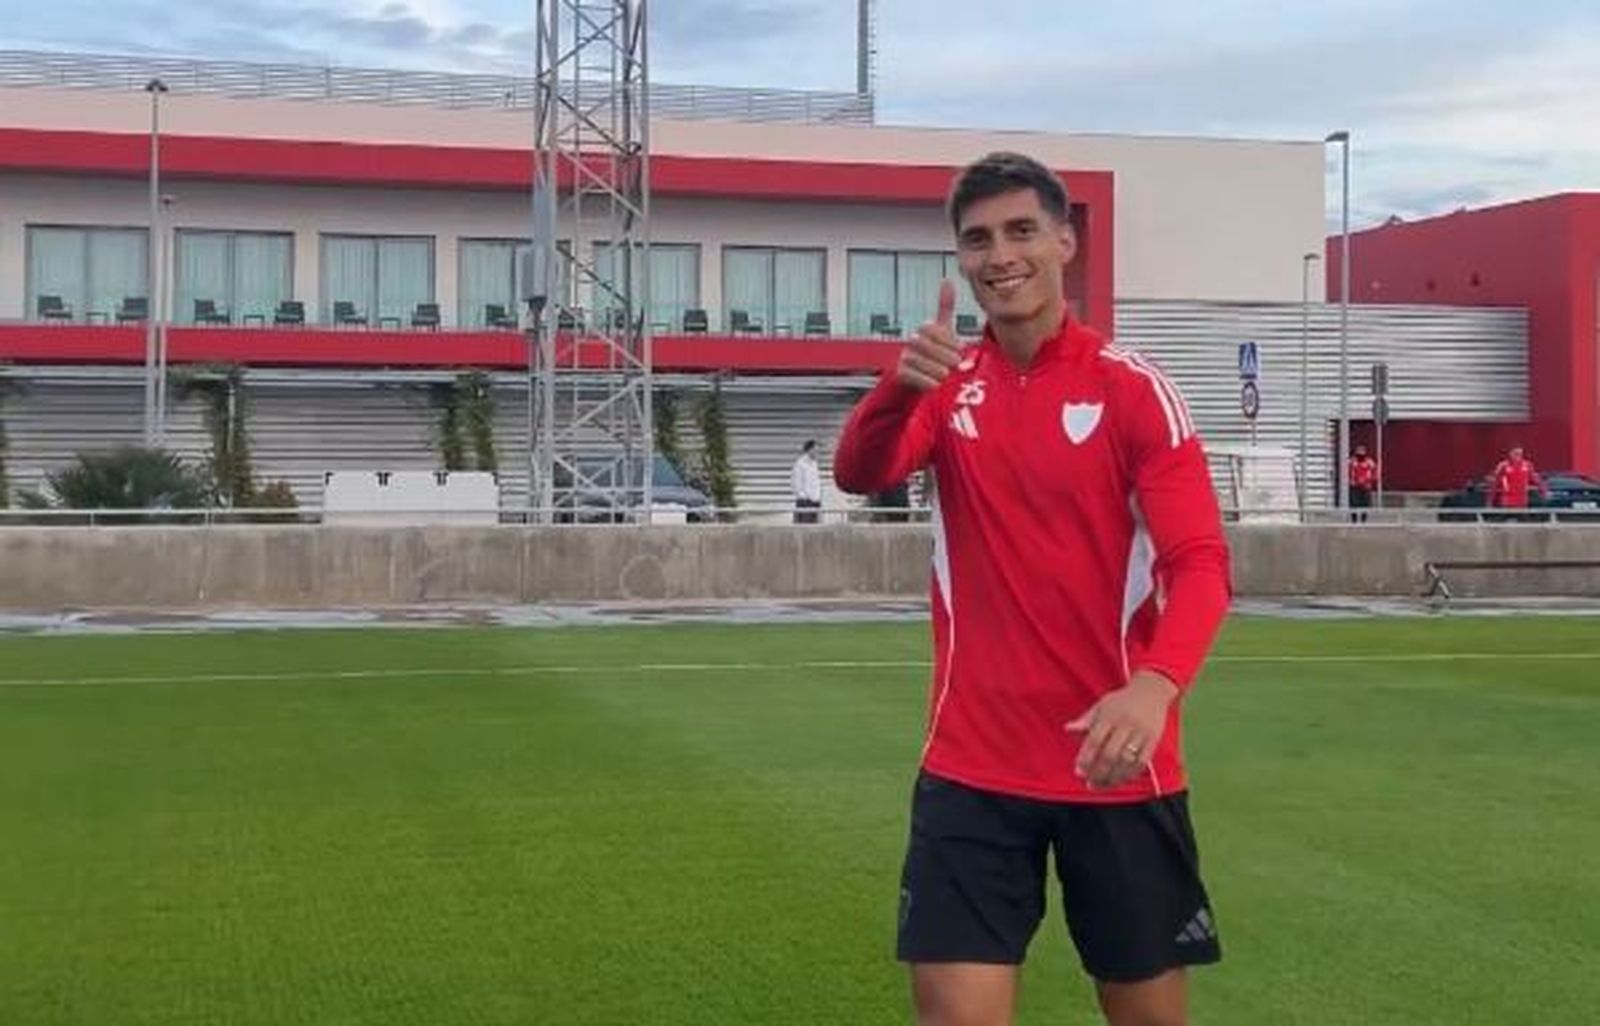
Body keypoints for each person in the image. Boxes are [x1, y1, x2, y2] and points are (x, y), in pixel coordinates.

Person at [834, 152, 1231, 1026]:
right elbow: (861, 473)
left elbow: (1200, 562)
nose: (1000, 255)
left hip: (1115, 765)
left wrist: (1154, 687)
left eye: (1021, 231)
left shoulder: (1132, 389)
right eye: (978, 239)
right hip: (972, 765)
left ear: (1064, 242)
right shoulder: (946, 386)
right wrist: (898, 387)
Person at [1490, 445, 1547, 513]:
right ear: (1510, 454)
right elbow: (1495, 484)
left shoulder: (1527, 465)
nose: (1518, 455)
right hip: (1507, 501)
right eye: (1516, 453)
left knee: (1522, 518)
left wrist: (1544, 492)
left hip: (1522, 501)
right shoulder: (1503, 466)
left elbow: (1536, 480)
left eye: (1520, 453)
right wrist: (1490, 500)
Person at [791, 439, 822, 523]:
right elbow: (796, 484)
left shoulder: (814, 464)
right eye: (816, 450)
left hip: (815, 501)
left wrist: (818, 498)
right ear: (810, 450)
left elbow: (816, 482)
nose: (817, 452)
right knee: (804, 527)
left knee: (816, 527)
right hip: (805, 502)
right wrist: (804, 498)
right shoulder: (800, 464)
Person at [1347, 444, 1379, 522]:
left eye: (1362, 452)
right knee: (1354, 503)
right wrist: (1351, 481)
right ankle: (1354, 520)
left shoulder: (1370, 462)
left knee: (1365, 503)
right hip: (1355, 486)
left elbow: (1375, 474)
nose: (1360, 455)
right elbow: (1347, 472)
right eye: (1358, 452)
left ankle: (1363, 520)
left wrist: (1369, 480)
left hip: (1366, 486)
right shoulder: (1352, 462)